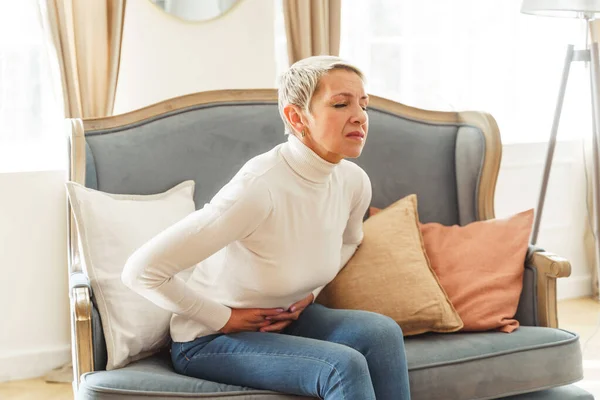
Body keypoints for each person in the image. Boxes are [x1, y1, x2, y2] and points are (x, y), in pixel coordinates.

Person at [122, 55, 411, 400]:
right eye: (340, 104)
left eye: (364, 105)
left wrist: (311, 295)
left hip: (288, 320)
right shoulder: (258, 187)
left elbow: (349, 242)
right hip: (209, 340)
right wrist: (222, 317)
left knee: (381, 333)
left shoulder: (353, 182)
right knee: (342, 366)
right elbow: (141, 271)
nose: (360, 117)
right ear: (296, 116)